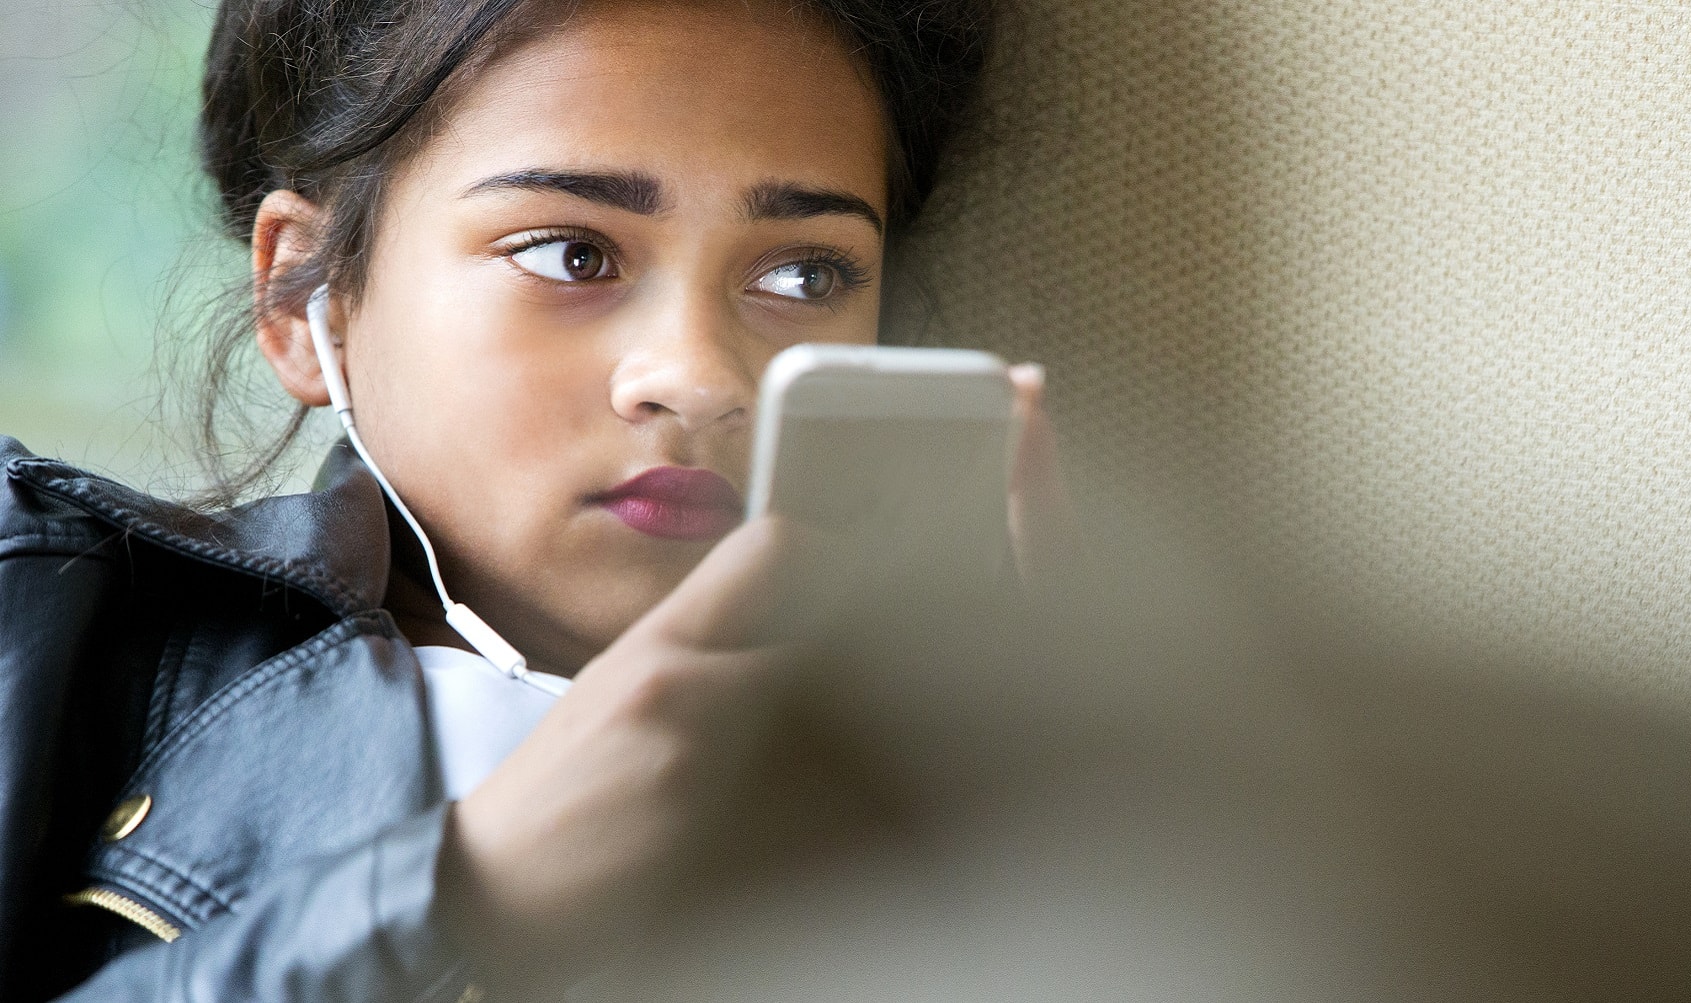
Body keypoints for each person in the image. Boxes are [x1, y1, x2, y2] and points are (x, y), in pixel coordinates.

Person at [0, 0, 1076, 998]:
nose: (699, 374)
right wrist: (463, 889)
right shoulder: (48, 615)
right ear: (304, 294)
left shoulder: (959, 760)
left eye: (804, 277)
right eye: (573, 254)